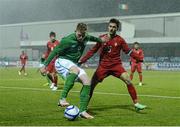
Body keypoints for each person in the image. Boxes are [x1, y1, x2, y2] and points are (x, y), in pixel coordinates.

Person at [40, 23, 105, 119]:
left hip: (73, 64)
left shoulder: (85, 37)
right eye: (79, 35)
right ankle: (62, 99)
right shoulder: (67, 40)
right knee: (75, 70)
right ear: (75, 31)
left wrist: (101, 40)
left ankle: (83, 111)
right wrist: (44, 65)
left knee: (87, 82)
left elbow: (94, 39)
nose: (81, 38)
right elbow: (55, 51)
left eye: (83, 35)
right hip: (61, 61)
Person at [79, 18, 146, 111]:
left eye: (114, 27)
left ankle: (136, 103)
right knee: (91, 85)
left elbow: (128, 51)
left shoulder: (120, 40)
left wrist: (139, 58)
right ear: (108, 27)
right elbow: (93, 50)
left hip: (116, 66)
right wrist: (82, 60)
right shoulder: (101, 38)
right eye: (110, 26)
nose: (111, 28)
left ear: (117, 28)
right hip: (103, 66)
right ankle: (83, 107)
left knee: (128, 80)